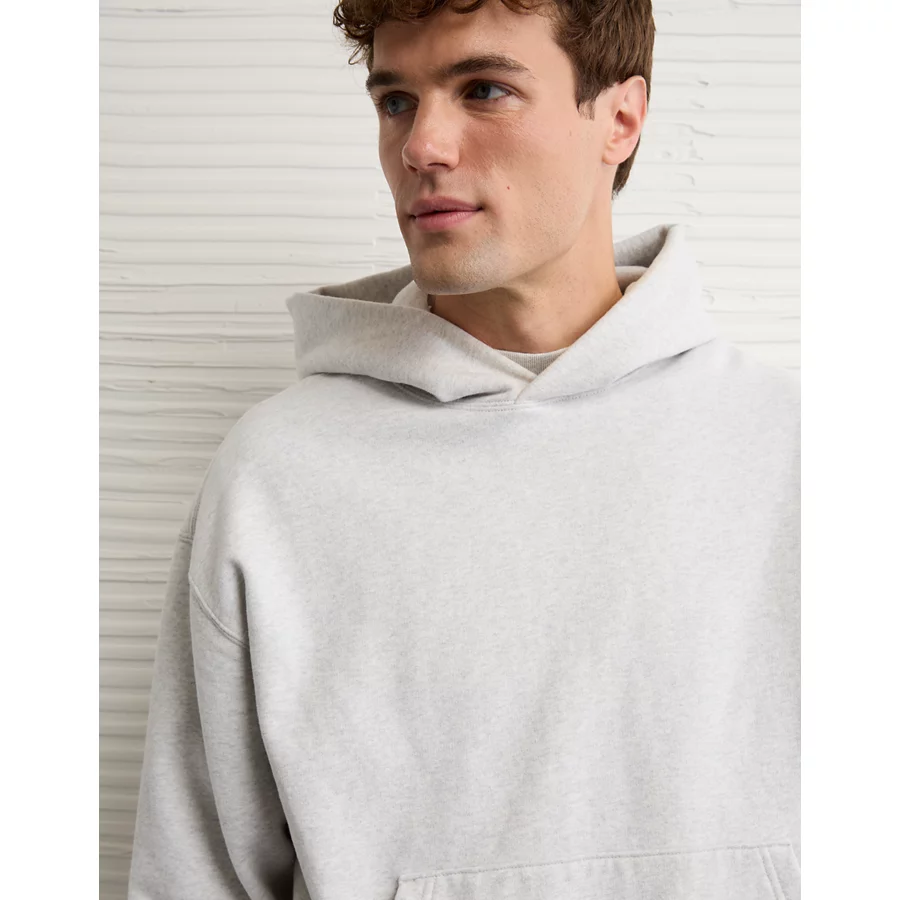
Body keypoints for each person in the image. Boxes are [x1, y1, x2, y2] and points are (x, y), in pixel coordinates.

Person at [127, 1, 800, 898]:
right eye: (396, 101)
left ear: (620, 118)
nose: (421, 146)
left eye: (484, 90)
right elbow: (197, 873)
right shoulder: (279, 476)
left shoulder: (801, 455)